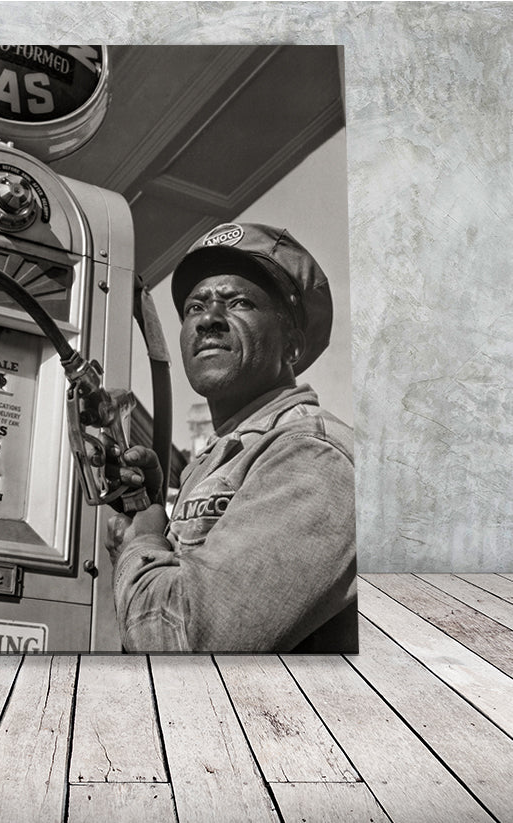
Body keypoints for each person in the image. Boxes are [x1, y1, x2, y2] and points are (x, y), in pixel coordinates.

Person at [106, 222, 357, 653]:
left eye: (239, 302)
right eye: (194, 307)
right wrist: (149, 516)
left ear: (292, 346)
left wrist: (143, 542)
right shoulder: (217, 461)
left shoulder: (313, 453)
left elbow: (176, 638)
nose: (208, 319)